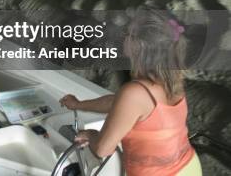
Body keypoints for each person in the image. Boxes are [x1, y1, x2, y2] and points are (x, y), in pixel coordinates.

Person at [59, 9, 201, 176]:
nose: (123, 37)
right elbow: (117, 103)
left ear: (139, 46)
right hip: (188, 167)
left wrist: (91, 135)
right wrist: (78, 105)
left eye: (128, 33)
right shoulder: (172, 81)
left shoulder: (134, 93)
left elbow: (102, 149)